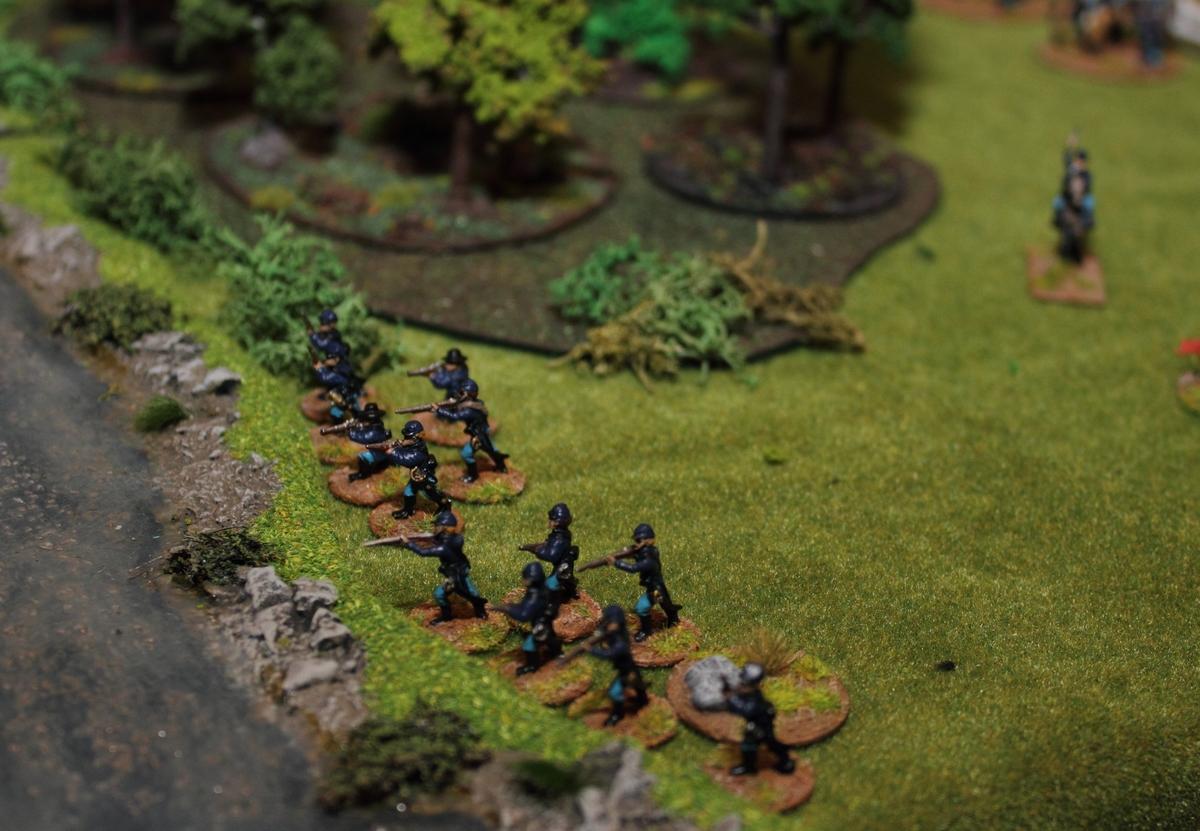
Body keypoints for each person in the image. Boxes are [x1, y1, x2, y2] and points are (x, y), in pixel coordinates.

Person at [394, 510, 488, 623]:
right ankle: (451, 615)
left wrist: (408, 544)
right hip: (458, 571)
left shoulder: (443, 548)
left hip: (457, 575)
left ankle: (479, 612)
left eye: (437, 526)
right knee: (455, 593)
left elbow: (423, 552)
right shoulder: (456, 539)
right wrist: (432, 538)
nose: (435, 527)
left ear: (444, 528)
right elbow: (445, 540)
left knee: (468, 594)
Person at [721, 662, 796, 777]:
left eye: (744, 684)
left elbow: (745, 710)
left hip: (762, 727)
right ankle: (749, 767)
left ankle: (786, 760)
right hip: (753, 725)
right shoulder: (747, 694)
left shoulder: (755, 699)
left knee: (772, 744)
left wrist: (730, 699)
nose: (741, 685)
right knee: (748, 746)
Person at [610, 524, 681, 642]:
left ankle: (647, 631)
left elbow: (633, 568)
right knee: (665, 605)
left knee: (642, 608)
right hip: (654, 588)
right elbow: (638, 555)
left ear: (648, 541)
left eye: (639, 541)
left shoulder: (649, 559)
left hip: (656, 590)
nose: (636, 543)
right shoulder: (648, 552)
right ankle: (673, 618)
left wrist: (616, 563)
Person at [585, 605, 649, 726]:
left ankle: (618, 714)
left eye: (611, 622)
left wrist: (591, 650)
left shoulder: (621, 643)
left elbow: (609, 654)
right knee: (638, 686)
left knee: (615, 692)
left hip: (627, 671)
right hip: (625, 670)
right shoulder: (614, 633)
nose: (609, 624)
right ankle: (643, 700)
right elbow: (603, 632)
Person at [434, 380, 509, 482]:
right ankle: (501, 465)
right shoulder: (476, 403)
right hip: (482, 431)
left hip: (478, 436)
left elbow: (455, 416)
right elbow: (460, 406)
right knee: (491, 449)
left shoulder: (470, 411)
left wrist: (439, 410)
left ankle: (473, 475)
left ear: (468, 395)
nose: (459, 395)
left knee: (467, 454)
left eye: (461, 393)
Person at [496, 563, 563, 674]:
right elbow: (525, 606)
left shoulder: (535, 595)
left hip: (540, 622)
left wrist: (506, 608)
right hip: (544, 618)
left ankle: (532, 666)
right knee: (549, 637)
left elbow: (524, 615)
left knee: (530, 645)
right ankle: (557, 652)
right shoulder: (542, 588)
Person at [518, 503, 580, 604]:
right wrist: (531, 546)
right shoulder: (559, 534)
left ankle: (554, 602)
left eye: (551, 519)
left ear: (556, 522)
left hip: (562, 568)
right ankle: (569, 589)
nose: (549, 521)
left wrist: (537, 550)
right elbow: (549, 544)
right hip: (562, 564)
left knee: (548, 588)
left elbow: (552, 556)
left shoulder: (559, 538)